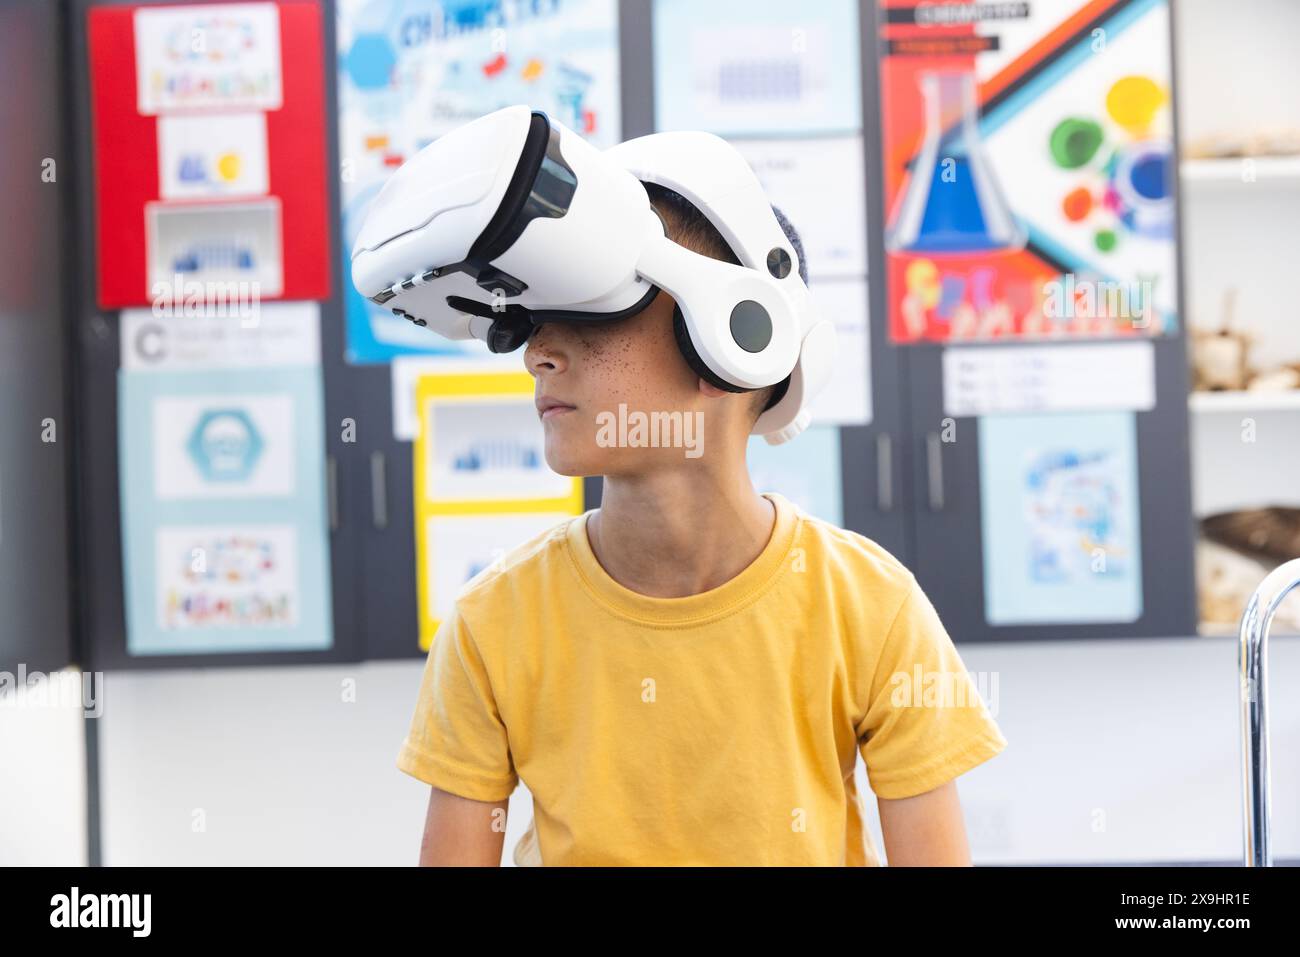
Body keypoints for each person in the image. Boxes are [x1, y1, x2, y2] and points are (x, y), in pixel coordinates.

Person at [396, 182, 1007, 867]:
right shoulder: (492, 621)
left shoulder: (872, 606)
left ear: (732, 337)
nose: (538, 353)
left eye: (594, 313)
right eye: (537, 320)